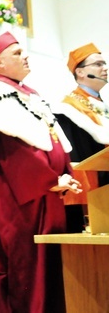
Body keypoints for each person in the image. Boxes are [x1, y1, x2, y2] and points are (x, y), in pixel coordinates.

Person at [0, 32, 82, 313]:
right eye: (17, 53)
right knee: (30, 266)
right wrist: (50, 178)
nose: (25, 57)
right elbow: (13, 150)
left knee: (52, 264)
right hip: (23, 199)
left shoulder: (29, 94)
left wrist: (66, 173)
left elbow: (54, 139)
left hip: (49, 193)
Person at [54, 42, 109, 231]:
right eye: (98, 64)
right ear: (81, 72)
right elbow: (75, 158)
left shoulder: (100, 104)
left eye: (104, 63)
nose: (105, 68)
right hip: (94, 190)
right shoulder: (68, 109)